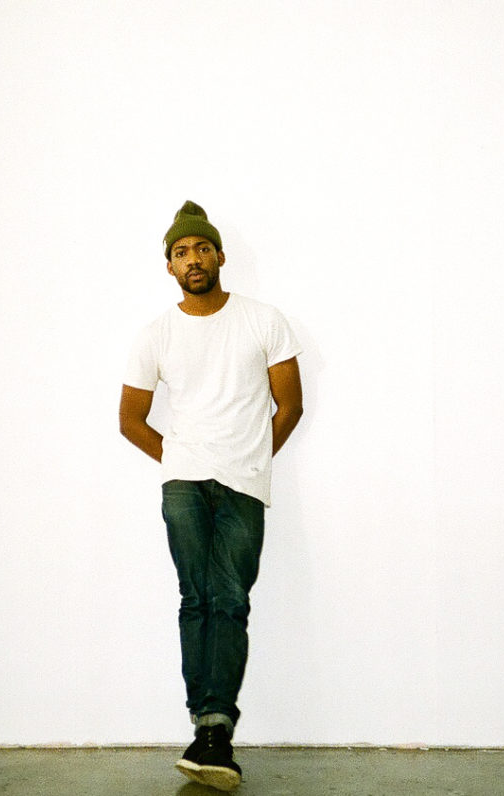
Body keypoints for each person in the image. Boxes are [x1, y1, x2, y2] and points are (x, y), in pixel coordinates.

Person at [119, 200, 303, 792]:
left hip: (244, 482)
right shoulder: (156, 334)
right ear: (169, 266)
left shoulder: (263, 320)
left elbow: (291, 406)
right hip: (184, 484)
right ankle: (209, 729)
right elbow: (130, 420)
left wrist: (251, 457)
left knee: (231, 600)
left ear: (221, 256)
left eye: (202, 248)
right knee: (195, 599)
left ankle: (214, 731)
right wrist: (180, 459)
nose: (193, 258)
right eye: (181, 252)